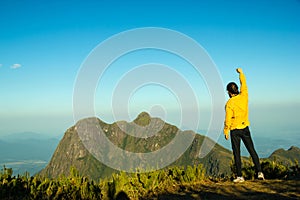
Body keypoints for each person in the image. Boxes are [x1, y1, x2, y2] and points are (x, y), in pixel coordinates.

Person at [224, 68, 264, 183]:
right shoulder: (244, 96)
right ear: (236, 89)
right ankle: (259, 172)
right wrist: (241, 73)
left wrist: (226, 130)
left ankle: (240, 176)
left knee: (237, 153)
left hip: (235, 130)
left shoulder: (229, 103)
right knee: (252, 150)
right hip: (245, 128)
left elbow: (227, 120)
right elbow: (244, 83)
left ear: (229, 92)